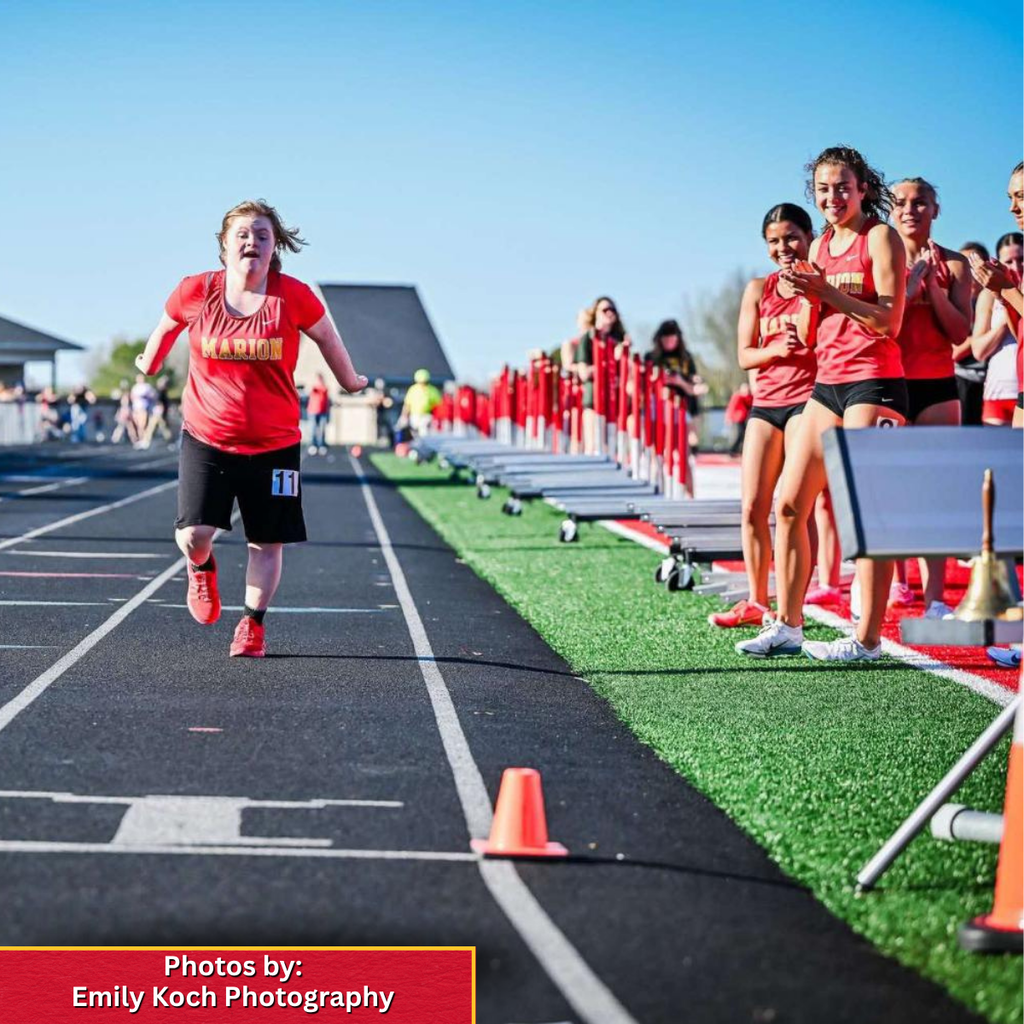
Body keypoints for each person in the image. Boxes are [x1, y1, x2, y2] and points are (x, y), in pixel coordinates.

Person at [134, 199, 367, 658]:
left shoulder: (293, 295)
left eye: (262, 235)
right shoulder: (196, 290)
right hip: (207, 437)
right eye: (242, 234)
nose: (251, 242)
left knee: (266, 540)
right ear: (224, 244)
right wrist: (149, 362)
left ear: (275, 245)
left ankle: (252, 625)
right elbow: (165, 328)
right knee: (193, 535)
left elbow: (327, 338)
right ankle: (201, 569)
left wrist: (350, 380)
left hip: (275, 444)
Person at [737, 145, 907, 663]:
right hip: (827, 385)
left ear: (863, 189)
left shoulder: (880, 237)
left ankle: (868, 639)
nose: (832, 197)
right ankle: (788, 625)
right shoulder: (823, 246)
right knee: (789, 505)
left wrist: (826, 292)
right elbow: (817, 328)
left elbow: (887, 322)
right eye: (823, 189)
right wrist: (805, 298)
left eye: (842, 187)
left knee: (865, 512)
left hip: (874, 383)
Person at [713, 202, 838, 628]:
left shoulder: (824, 285)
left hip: (809, 400)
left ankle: (793, 602)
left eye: (791, 238)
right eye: (774, 241)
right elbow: (745, 355)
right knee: (752, 507)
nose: (783, 247)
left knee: (796, 506)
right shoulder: (757, 289)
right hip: (766, 404)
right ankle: (755, 600)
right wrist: (775, 350)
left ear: (809, 238)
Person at [888, 178, 972, 618]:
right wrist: (909, 285)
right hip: (890, 386)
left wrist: (933, 288)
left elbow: (961, 333)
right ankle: (894, 583)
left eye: (920, 203)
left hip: (938, 386)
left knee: (934, 495)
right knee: (889, 491)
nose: (910, 210)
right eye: (900, 203)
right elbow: (883, 328)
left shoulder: (956, 265)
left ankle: (935, 598)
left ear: (935, 210)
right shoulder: (882, 261)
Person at [644, 319, 705, 494]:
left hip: (680, 409)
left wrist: (680, 382)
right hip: (657, 410)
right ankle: (657, 494)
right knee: (658, 457)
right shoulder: (651, 357)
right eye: (666, 337)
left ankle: (690, 496)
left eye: (672, 337)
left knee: (684, 457)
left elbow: (695, 386)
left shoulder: (685, 358)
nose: (669, 341)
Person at [969, 231, 1023, 425]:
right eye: (1009, 261)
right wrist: (1005, 318)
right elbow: (979, 350)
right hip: (998, 392)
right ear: (998, 262)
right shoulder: (989, 295)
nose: (1016, 266)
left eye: (1021, 259)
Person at [569, 297, 630, 454]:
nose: (609, 314)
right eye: (604, 310)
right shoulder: (588, 338)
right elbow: (583, 372)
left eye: (612, 310)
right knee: (593, 446)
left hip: (614, 401)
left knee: (613, 447)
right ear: (596, 313)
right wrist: (607, 365)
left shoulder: (619, 341)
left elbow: (626, 374)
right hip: (593, 399)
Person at [954, 241, 990, 425]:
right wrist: (980, 337)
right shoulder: (953, 305)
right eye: (965, 266)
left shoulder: (996, 304)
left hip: (994, 382)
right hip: (964, 383)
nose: (971, 273)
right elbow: (954, 352)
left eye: (976, 265)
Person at [399, 368, 442, 437]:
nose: (422, 384)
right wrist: (404, 416)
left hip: (427, 416)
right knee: (414, 433)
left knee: (424, 432)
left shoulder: (432, 390)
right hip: (414, 416)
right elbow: (407, 404)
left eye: (424, 382)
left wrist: (436, 418)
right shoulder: (413, 389)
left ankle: (423, 446)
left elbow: (438, 405)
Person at [306, 373, 331, 454]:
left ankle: (321, 445)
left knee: (322, 428)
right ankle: (313, 444)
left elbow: (324, 390)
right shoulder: (314, 388)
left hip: (323, 411)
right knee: (313, 428)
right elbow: (312, 389)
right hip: (313, 411)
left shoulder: (325, 388)